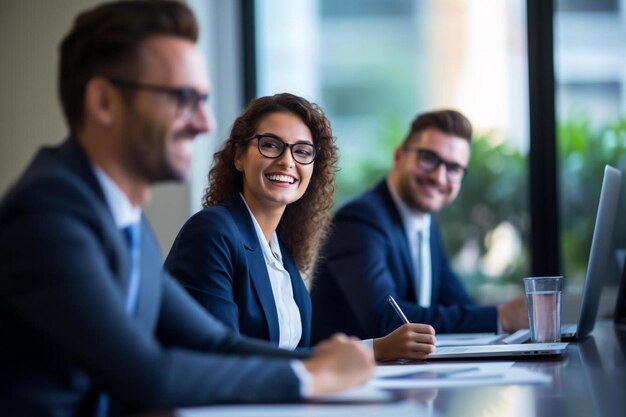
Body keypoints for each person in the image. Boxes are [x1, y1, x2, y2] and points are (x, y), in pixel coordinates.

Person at [0, 2, 374, 416]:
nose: (205, 123)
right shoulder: (48, 216)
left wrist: (327, 363)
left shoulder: (123, 219)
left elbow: (217, 342)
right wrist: (313, 378)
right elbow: (149, 376)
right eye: (182, 98)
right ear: (104, 102)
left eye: (203, 100)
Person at [164, 93, 436, 361]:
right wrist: (372, 350)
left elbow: (294, 352)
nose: (287, 161)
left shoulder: (280, 251)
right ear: (239, 157)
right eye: (270, 145)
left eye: (303, 151)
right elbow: (223, 357)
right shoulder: (213, 232)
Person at [310, 110, 529, 342]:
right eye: (428, 158)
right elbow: (390, 321)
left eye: (453, 168)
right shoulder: (360, 221)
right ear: (399, 157)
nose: (439, 177)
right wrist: (500, 317)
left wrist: (501, 318)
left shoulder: (426, 223)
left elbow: (458, 302)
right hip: (350, 374)